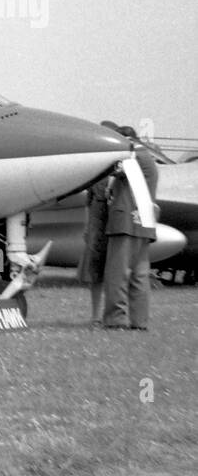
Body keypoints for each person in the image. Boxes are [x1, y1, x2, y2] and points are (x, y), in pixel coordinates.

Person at [102, 126, 160, 330]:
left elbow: (115, 170)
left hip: (125, 221)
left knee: (117, 274)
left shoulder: (132, 153)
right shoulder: (148, 158)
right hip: (143, 223)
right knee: (139, 275)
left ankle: (116, 318)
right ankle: (139, 321)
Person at [77, 176, 111, 323]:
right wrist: (87, 227)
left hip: (113, 226)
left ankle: (109, 314)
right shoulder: (97, 177)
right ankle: (96, 315)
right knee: (95, 272)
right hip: (96, 228)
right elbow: (88, 203)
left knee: (113, 272)